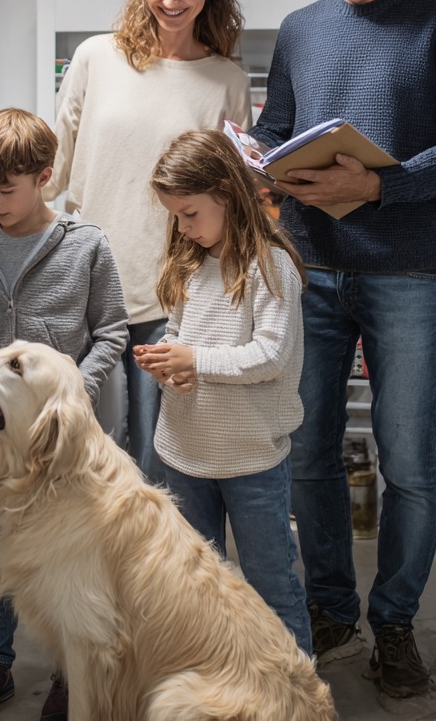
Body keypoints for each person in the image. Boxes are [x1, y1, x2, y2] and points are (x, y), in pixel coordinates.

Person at [251, 0, 436, 699]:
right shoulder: (301, 29)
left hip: (409, 274)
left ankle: (394, 622)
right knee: (307, 457)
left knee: (409, 464)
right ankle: (330, 609)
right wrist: (259, 162)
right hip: (308, 268)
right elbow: (279, 126)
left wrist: (379, 186)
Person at [0, 0, 252, 485]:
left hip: (173, 299)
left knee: (154, 468)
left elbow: (227, 200)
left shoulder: (227, 82)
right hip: (79, 292)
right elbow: (54, 164)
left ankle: (143, 576)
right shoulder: (97, 57)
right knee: (71, 463)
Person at [0, 107, 128, 721]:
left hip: (70, 439)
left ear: (45, 175)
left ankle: (75, 671)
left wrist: (75, 390)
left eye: (4, 189)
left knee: (78, 551)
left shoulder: (86, 246)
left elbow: (113, 331)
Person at [133, 128, 312, 656]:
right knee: (197, 590)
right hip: (184, 454)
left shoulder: (271, 267)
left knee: (271, 585)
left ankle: (297, 697)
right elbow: (180, 336)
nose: (184, 228)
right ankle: (218, 689)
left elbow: (270, 357)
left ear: (227, 194)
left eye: (190, 213)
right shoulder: (190, 261)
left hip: (251, 459)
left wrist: (196, 362)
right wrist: (172, 364)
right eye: (175, 217)